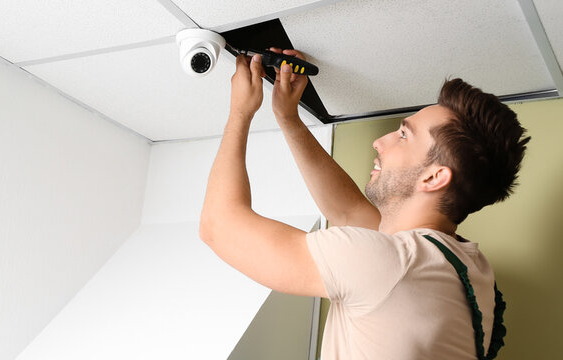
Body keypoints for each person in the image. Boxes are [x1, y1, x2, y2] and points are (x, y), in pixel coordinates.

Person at [199, 48, 530, 360]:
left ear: (433, 178)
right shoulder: (464, 266)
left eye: (403, 135)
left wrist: (240, 114)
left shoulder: (390, 264)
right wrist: (288, 118)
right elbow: (349, 214)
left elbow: (218, 226)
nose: (380, 141)